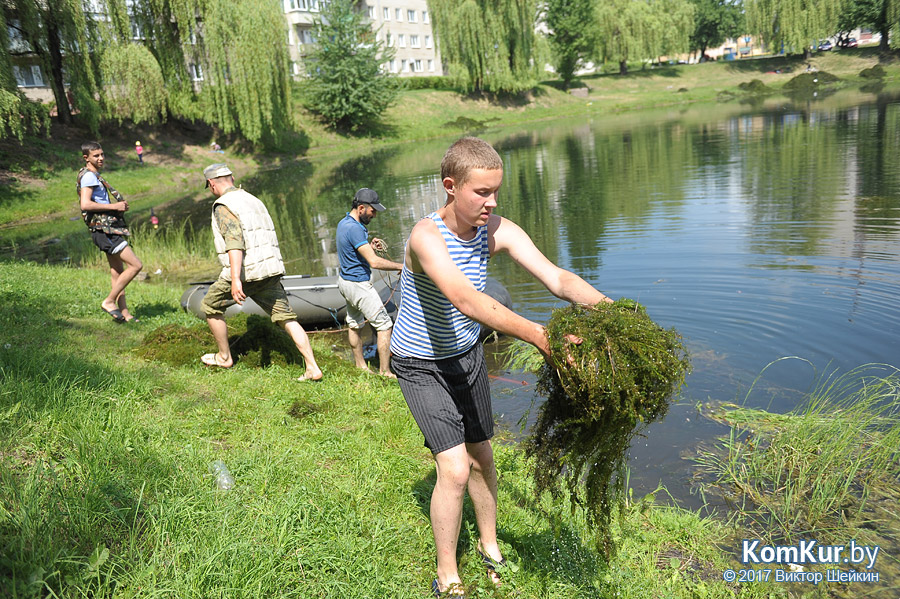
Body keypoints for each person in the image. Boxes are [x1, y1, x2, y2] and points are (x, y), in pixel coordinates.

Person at [389, 137, 613, 597]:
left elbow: (557, 278)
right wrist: (540, 336)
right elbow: (466, 300)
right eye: (481, 193)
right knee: (452, 469)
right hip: (419, 361)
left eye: (496, 192)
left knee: (482, 456)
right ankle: (448, 574)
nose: (492, 203)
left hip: (466, 355)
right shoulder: (426, 237)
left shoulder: (498, 231)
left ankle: (490, 547)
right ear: (451, 186)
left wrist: (613, 311)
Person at [199, 163, 323, 382]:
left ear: (211, 184)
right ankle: (312, 367)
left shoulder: (223, 205)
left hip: (247, 272)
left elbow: (234, 242)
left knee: (210, 305)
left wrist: (236, 279)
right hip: (271, 270)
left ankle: (224, 356)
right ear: (232, 177)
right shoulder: (253, 200)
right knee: (287, 317)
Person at [336, 188, 403, 376]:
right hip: (358, 286)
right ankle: (385, 372)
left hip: (345, 282)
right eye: (372, 210)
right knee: (384, 326)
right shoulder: (355, 229)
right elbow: (374, 262)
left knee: (354, 323)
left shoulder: (344, 223)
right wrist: (401, 266)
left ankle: (361, 366)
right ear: (361, 208)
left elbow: (353, 249)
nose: (374, 214)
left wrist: (369, 246)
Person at [78, 141, 144, 323]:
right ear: (86, 158)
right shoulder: (89, 177)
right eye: (96, 156)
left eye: (102, 154)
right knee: (136, 265)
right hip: (105, 230)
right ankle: (108, 301)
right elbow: (85, 204)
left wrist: (116, 209)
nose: (100, 158)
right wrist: (114, 205)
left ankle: (124, 313)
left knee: (117, 272)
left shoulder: (91, 175)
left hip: (105, 228)